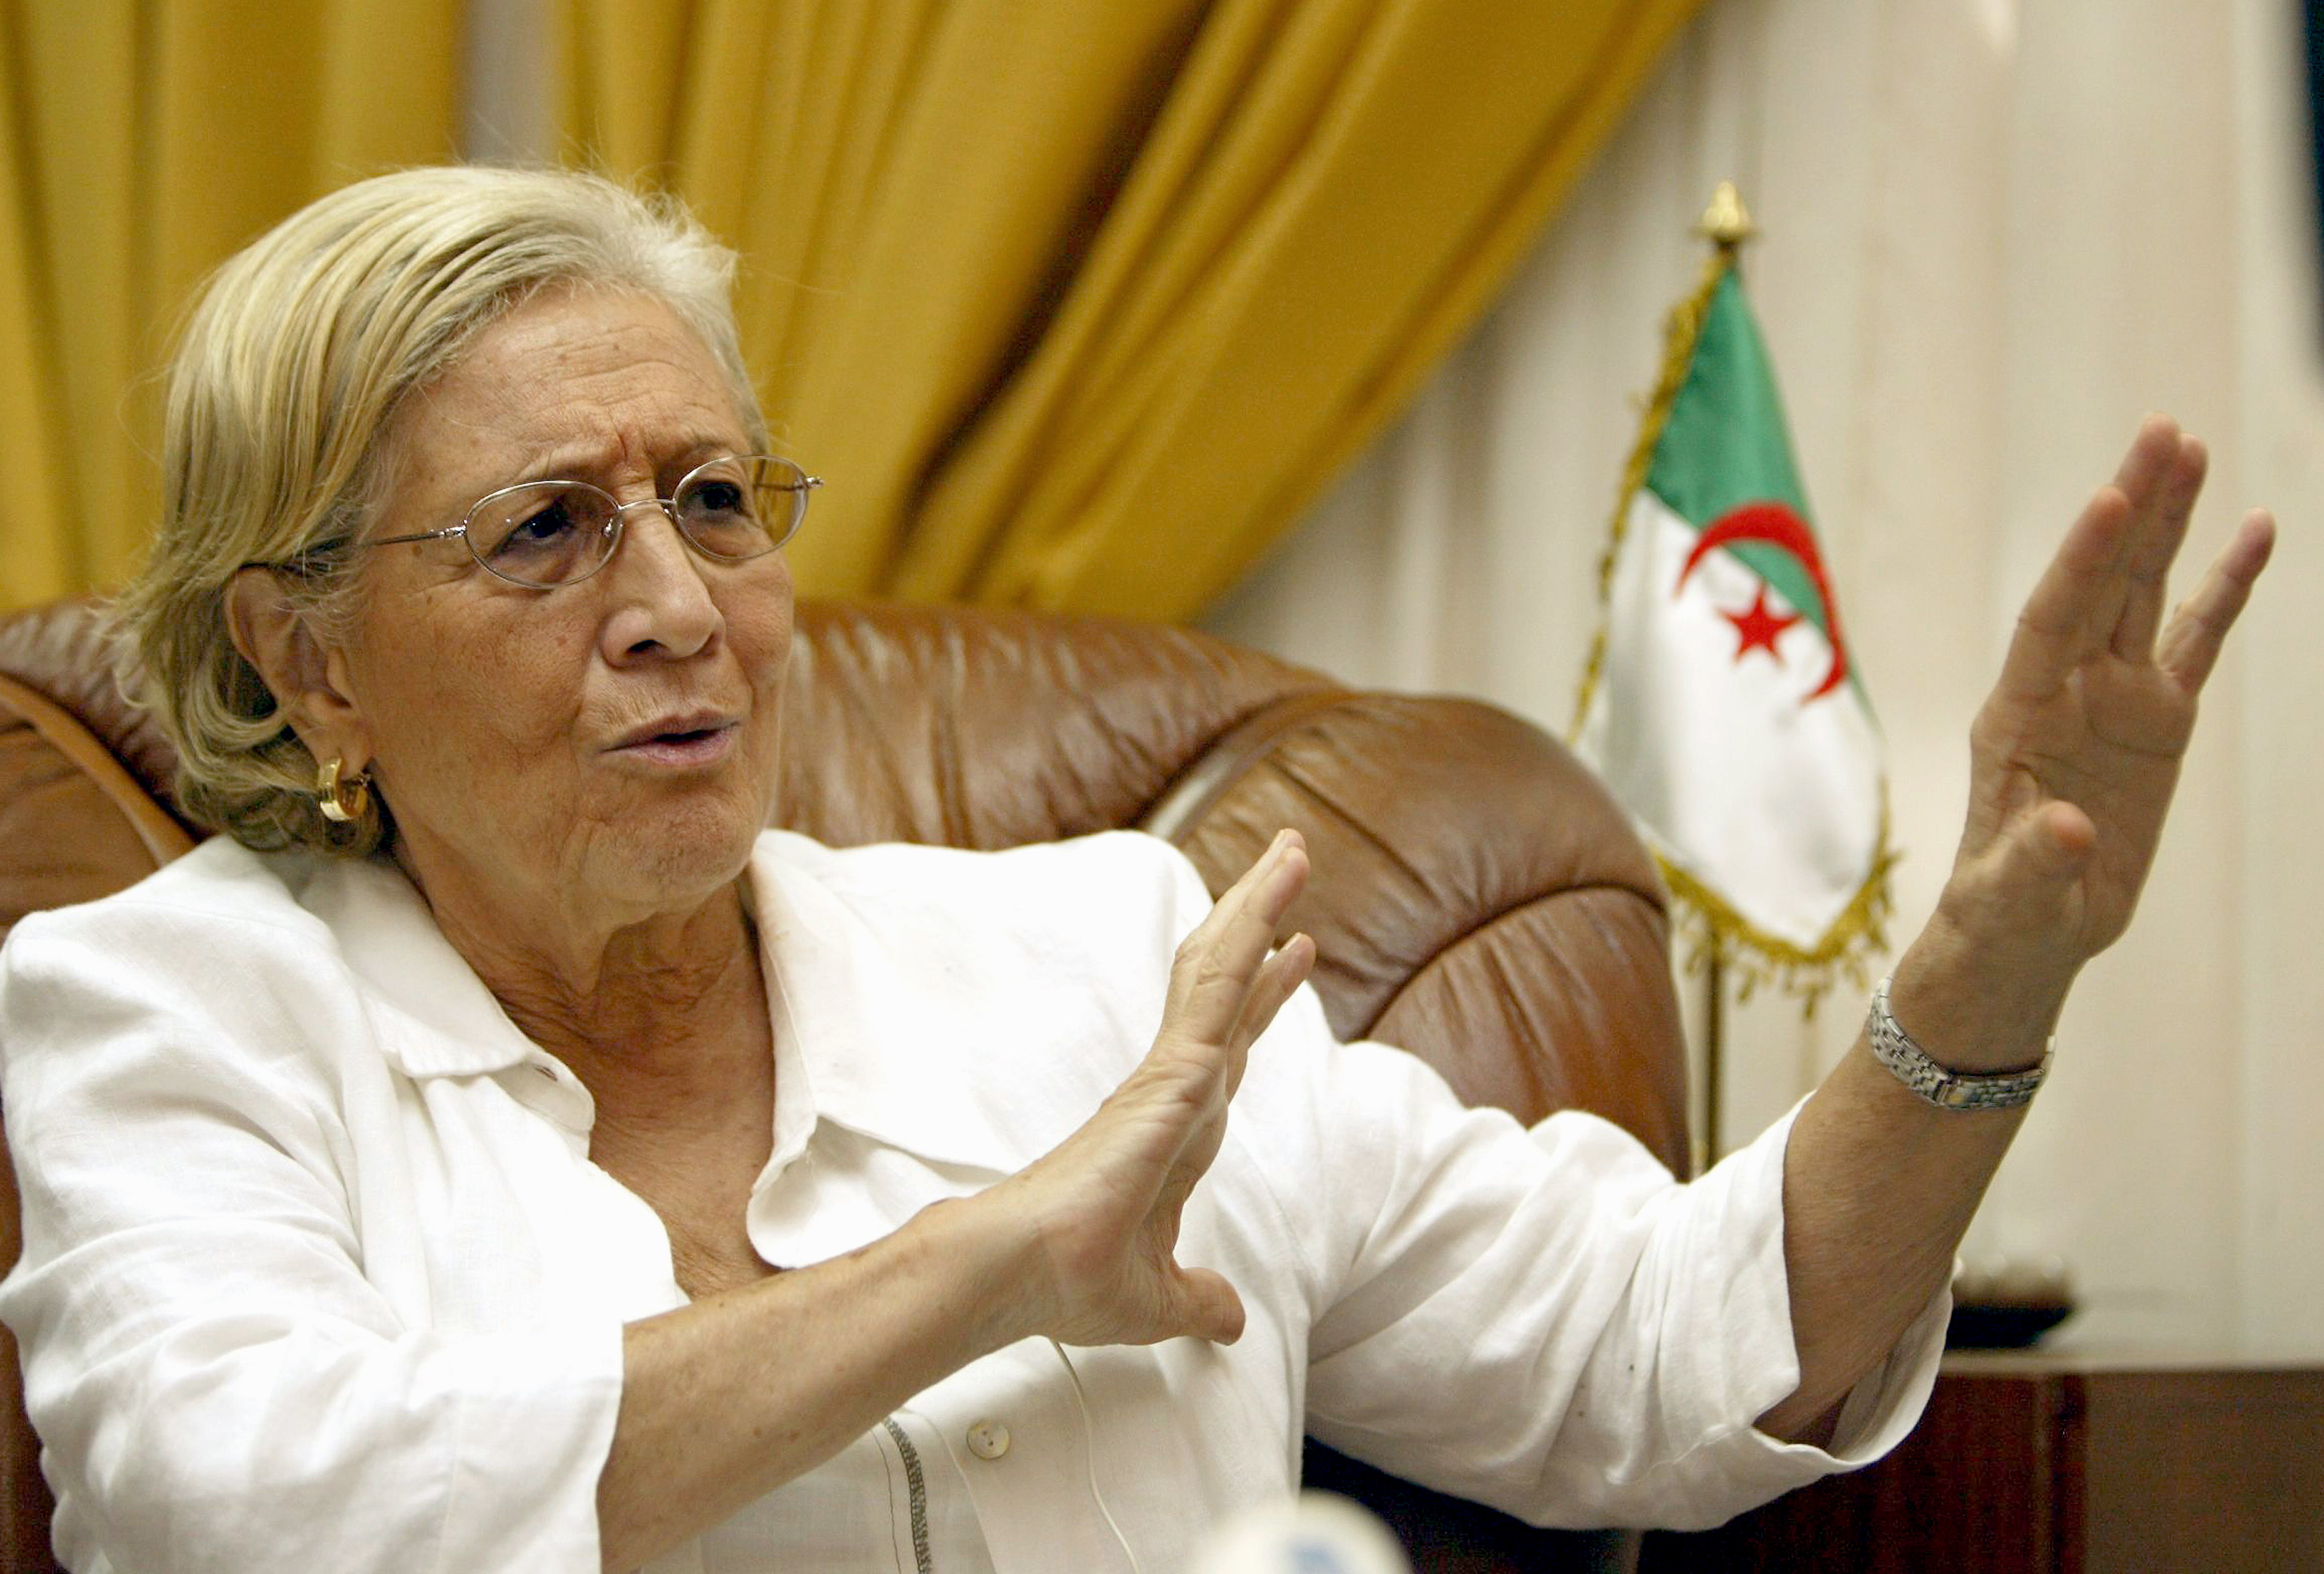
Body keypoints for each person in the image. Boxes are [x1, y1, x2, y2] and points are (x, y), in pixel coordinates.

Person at [0, 165, 2272, 1574]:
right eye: (542, 530)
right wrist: (1001, 1262)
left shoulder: (1102, 960)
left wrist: (1986, 975)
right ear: (307, 664)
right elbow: (259, 1520)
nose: (679, 605)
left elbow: (1660, 1354)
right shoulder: (173, 1011)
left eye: (713, 498)